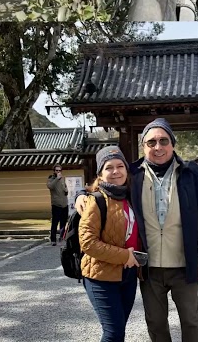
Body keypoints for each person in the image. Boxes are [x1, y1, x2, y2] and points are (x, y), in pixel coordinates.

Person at [75, 118, 198, 342]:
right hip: (148, 268)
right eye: (151, 142)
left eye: (163, 141)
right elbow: (104, 185)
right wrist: (79, 196)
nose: (158, 147)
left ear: (173, 143)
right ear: (143, 146)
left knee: (191, 321)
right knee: (156, 324)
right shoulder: (133, 174)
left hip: (184, 264)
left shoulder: (192, 174)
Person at [78, 146, 144, 342]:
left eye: (120, 166)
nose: (116, 171)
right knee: (113, 332)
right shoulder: (95, 200)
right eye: (109, 167)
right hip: (100, 275)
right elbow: (88, 243)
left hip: (128, 274)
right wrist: (125, 255)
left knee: (119, 329)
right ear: (100, 173)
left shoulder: (131, 196)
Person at [47, 165, 69, 246]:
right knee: (55, 223)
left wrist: (66, 191)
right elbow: (50, 186)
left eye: (60, 170)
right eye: (57, 170)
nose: (58, 172)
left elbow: (64, 188)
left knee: (63, 223)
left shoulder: (62, 180)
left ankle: (62, 238)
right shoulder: (51, 179)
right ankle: (53, 239)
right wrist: (57, 179)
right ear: (54, 171)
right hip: (56, 204)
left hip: (64, 204)